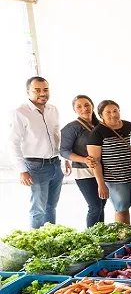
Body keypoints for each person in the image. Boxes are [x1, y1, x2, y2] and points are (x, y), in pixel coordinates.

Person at [9, 76, 67, 228]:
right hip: (36, 167)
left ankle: (50, 239)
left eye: (46, 90)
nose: (43, 93)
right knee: (38, 210)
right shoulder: (20, 112)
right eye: (37, 90)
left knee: (51, 207)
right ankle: (36, 245)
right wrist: (22, 170)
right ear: (28, 92)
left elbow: (57, 136)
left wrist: (66, 158)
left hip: (55, 163)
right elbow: (13, 142)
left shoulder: (52, 109)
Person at [88, 100, 131, 230]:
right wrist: (101, 184)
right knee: (122, 208)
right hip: (115, 180)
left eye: (115, 110)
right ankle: (125, 240)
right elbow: (95, 161)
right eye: (108, 112)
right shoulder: (97, 132)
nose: (113, 114)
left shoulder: (130, 126)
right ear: (101, 115)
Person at [60, 95, 106, 227]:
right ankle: (91, 238)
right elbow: (64, 151)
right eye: (79, 106)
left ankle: (101, 236)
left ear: (92, 105)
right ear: (74, 110)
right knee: (95, 206)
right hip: (83, 172)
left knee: (102, 204)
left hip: (103, 171)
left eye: (86, 105)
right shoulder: (71, 128)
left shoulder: (100, 125)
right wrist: (84, 159)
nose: (84, 109)